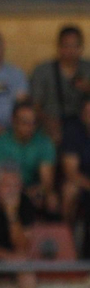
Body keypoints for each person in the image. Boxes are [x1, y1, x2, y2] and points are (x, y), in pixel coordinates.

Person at [0, 101, 58, 215]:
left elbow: (47, 181)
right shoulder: (0, 142)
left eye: (33, 123)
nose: (30, 127)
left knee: (50, 198)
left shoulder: (44, 142)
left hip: (34, 190)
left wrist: (38, 191)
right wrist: (21, 193)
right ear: (13, 122)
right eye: (25, 122)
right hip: (8, 189)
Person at [28, 23, 89, 142]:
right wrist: (48, 121)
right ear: (58, 47)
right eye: (66, 46)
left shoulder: (87, 69)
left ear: (81, 48)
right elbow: (34, 105)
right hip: (51, 121)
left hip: (82, 123)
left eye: (75, 46)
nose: (71, 51)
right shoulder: (43, 71)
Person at [60, 95, 90, 254]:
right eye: (88, 112)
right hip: (83, 185)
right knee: (69, 189)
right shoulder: (74, 132)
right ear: (82, 115)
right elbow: (71, 173)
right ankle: (67, 241)